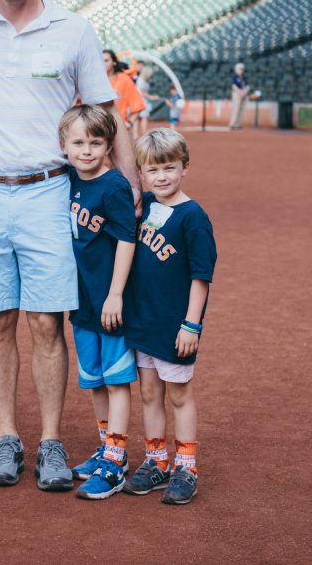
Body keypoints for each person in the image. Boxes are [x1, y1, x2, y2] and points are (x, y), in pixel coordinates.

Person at [0, 0, 138, 491]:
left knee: (46, 322)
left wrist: (133, 188)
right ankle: (7, 437)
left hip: (48, 190)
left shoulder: (73, 29)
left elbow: (106, 111)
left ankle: (51, 442)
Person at [122, 128, 216, 505]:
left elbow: (201, 276)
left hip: (175, 326)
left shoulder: (193, 217)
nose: (161, 177)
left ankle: (187, 466)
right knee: (148, 393)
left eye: (169, 168)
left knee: (179, 394)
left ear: (185, 167)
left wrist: (192, 324)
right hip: (143, 321)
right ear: (142, 173)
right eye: (152, 170)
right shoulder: (143, 204)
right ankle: (157, 460)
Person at [57, 104, 137, 500]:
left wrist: (116, 294)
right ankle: (107, 447)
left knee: (117, 378)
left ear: (108, 145)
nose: (86, 150)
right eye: (78, 142)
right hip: (83, 301)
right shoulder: (66, 179)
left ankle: (117, 459)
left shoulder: (115, 186)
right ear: (64, 145)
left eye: (96, 142)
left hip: (110, 300)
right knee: (94, 378)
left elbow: (126, 239)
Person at [104, 49, 146, 138]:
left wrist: (130, 122)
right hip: (96, 127)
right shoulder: (93, 80)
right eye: (101, 61)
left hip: (118, 128)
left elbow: (138, 104)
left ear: (114, 62)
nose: (103, 63)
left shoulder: (124, 79)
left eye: (106, 60)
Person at [135, 65, 163, 137]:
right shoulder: (141, 81)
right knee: (144, 118)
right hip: (142, 101)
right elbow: (142, 93)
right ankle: (144, 134)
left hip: (139, 101)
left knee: (137, 118)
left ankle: (136, 134)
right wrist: (152, 97)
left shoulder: (141, 80)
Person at [228, 62, 249, 130]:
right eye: (239, 69)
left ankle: (238, 123)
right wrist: (240, 92)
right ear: (236, 70)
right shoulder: (235, 77)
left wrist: (245, 91)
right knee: (236, 108)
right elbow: (233, 86)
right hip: (237, 94)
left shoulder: (244, 77)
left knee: (242, 109)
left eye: (242, 69)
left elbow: (247, 86)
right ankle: (232, 123)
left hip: (244, 94)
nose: (241, 70)